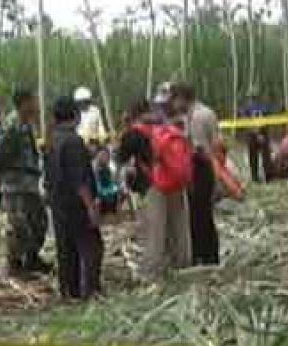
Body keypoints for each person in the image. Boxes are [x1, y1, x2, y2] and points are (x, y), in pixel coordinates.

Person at [117, 98, 192, 281]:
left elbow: (121, 157)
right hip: (176, 180)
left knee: (154, 230)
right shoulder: (167, 125)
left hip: (154, 185)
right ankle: (182, 264)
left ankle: (152, 271)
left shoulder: (134, 133)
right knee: (179, 225)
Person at [46, 96, 103, 299]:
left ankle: (69, 291)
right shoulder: (73, 141)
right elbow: (79, 179)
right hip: (76, 203)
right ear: (76, 116)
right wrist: (90, 206)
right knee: (91, 245)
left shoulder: (52, 139)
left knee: (66, 248)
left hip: (58, 202)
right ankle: (91, 290)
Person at [0, 89, 51, 276]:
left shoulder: (26, 124)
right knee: (19, 226)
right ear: (24, 103)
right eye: (33, 101)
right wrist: (5, 175)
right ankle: (15, 263)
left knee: (39, 221)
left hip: (30, 183)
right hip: (15, 185)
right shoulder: (12, 125)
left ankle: (32, 258)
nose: (36, 105)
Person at [169, 83, 221, 266]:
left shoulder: (197, 117)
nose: (173, 104)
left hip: (200, 168)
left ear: (182, 98)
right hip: (208, 166)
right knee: (204, 214)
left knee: (199, 216)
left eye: (174, 99)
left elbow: (198, 149)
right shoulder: (207, 112)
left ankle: (204, 257)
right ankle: (210, 256)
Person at [239, 94, 273, 182]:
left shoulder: (262, 106)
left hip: (260, 133)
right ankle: (257, 177)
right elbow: (245, 121)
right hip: (254, 135)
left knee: (265, 156)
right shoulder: (247, 107)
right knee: (255, 157)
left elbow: (267, 119)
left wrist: (260, 133)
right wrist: (257, 133)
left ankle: (266, 176)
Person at [94, 147, 121, 215]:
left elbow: (113, 180)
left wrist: (115, 186)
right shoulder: (94, 166)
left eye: (106, 155)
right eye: (102, 155)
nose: (104, 157)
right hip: (98, 190)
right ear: (97, 155)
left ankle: (111, 209)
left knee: (115, 190)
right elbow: (97, 182)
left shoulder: (108, 167)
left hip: (107, 188)